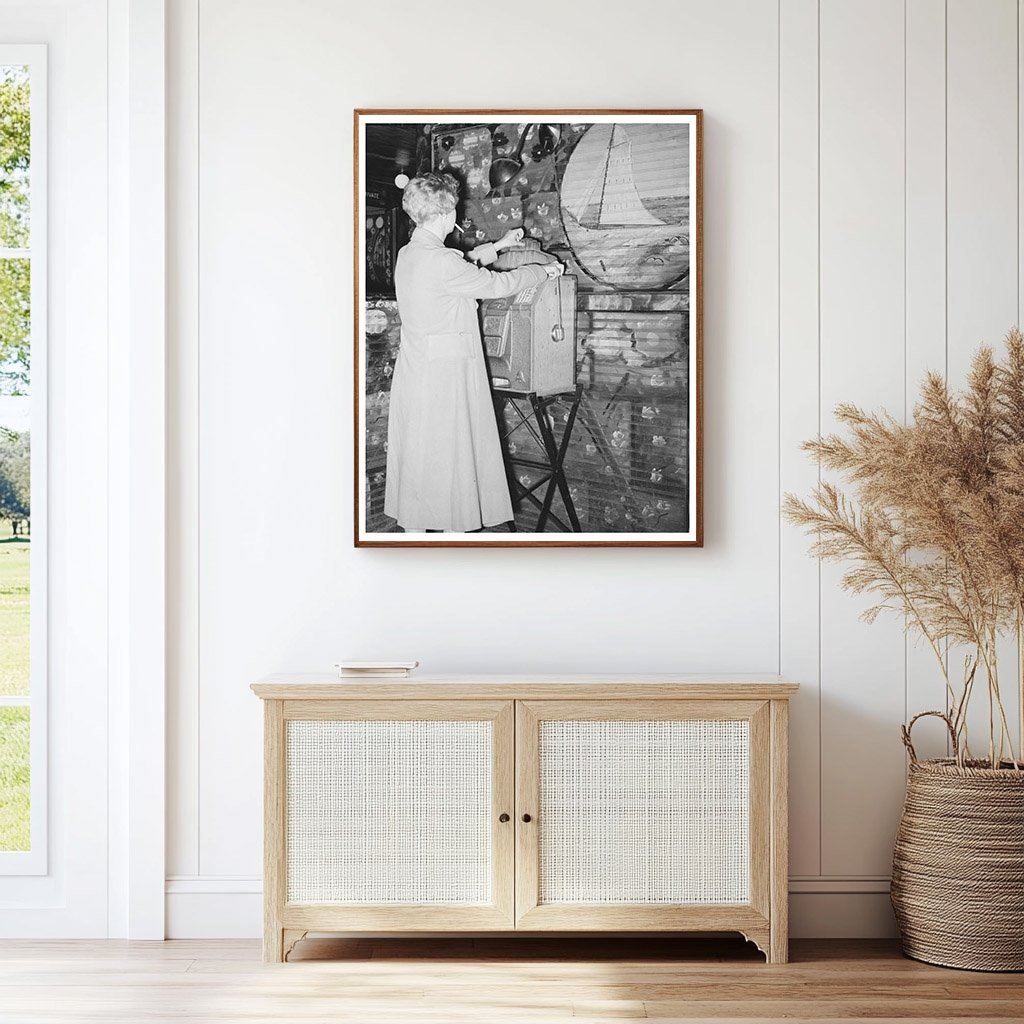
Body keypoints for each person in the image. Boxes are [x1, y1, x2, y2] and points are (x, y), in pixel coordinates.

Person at [384, 173, 562, 532]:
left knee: (422, 456)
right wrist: (541, 270)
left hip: (418, 370)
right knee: (452, 456)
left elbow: (463, 263)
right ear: (446, 212)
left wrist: (500, 244)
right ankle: (452, 535)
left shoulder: (410, 254)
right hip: (445, 376)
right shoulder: (443, 263)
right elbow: (498, 284)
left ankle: (414, 534)